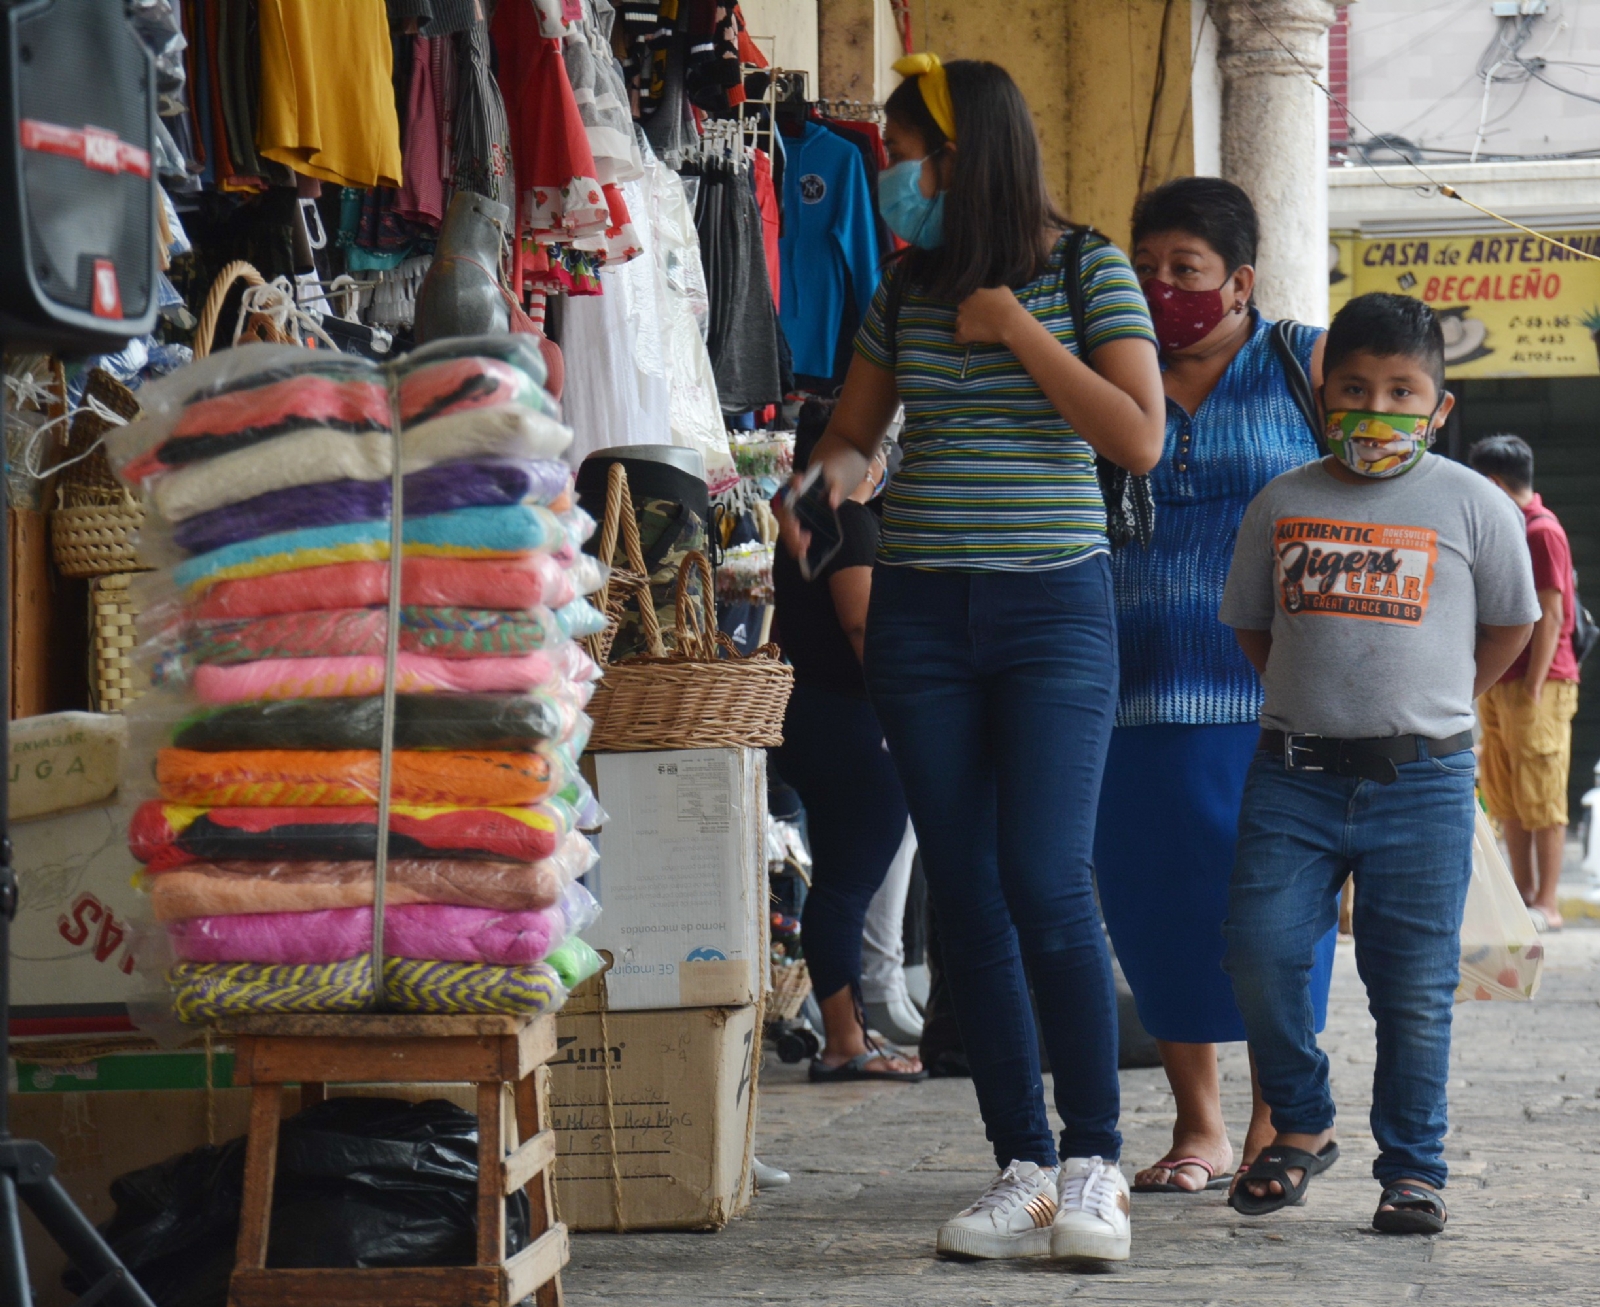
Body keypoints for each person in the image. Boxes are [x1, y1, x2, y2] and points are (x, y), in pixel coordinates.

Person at [779, 53, 1165, 1263]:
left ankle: (1096, 1158)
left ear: (963, 153)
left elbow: (1138, 439)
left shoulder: (1088, 268)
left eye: (899, 156)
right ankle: (1023, 1167)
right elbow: (855, 433)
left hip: (1054, 610)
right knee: (971, 892)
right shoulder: (905, 292)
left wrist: (1012, 329)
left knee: (1047, 876)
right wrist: (821, 483)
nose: (889, 177)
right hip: (921, 618)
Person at [1218, 293, 1537, 1235]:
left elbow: (1513, 625)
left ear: (1438, 407)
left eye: (1402, 390)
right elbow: (1252, 627)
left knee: (1412, 984)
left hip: (1425, 782)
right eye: (1354, 388)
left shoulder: (1474, 504)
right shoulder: (1282, 500)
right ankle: (1303, 1122)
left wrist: (1435, 706)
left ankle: (1413, 1166)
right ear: (1322, 398)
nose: (1376, 407)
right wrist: (1321, 708)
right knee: (1260, 954)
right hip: (1293, 777)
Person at [1096, 176, 1339, 1197]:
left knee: (1279, 917)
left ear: (1239, 280)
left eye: (1183, 270)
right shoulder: (1107, 370)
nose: (1159, 287)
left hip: (1273, 699)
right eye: (1143, 267)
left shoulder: (1305, 360)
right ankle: (1195, 1120)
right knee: (1155, 911)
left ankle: (1277, 1120)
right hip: (1127, 694)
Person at [771, 411, 923, 1083]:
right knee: (847, 885)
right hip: (854, 721)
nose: (883, 461)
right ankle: (844, 1040)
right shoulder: (850, 522)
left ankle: (847, 1033)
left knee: (838, 884)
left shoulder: (797, 527)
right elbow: (862, 623)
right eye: (875, 449)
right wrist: (901, 705)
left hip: (809, 716)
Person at [1468, 433, 1582, 932]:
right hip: (1502, 680)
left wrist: (1535, 684)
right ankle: (1525, 896)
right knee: (1508, 793)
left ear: (1493, 482)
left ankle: (1549, 903)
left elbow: (1552, 614)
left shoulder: (1541, 531)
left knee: (1543, 792)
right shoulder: (1510, 525)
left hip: (1539, 682)